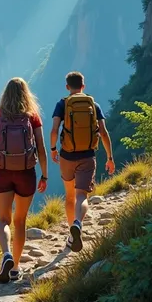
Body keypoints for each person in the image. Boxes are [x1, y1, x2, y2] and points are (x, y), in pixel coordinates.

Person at [0, 77, 48, 283]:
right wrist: (44, 174)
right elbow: (41, 148)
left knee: (4, 220)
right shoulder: (32, 116)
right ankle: (16, 268)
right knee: (20, 221)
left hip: (2, 172)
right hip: (26, 173)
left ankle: (6, 254)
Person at [50, 71, 115, 253]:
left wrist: (53, 149)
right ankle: (78, 223)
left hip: (67, 156)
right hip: (87, 155)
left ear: (67, 87)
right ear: (83, 86)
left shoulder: (62, 104)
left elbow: (54, 129)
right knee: (82, 196)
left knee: (70, 196)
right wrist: (110, 157)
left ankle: (72, 233)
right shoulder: (93, 104)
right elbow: (103, 132)